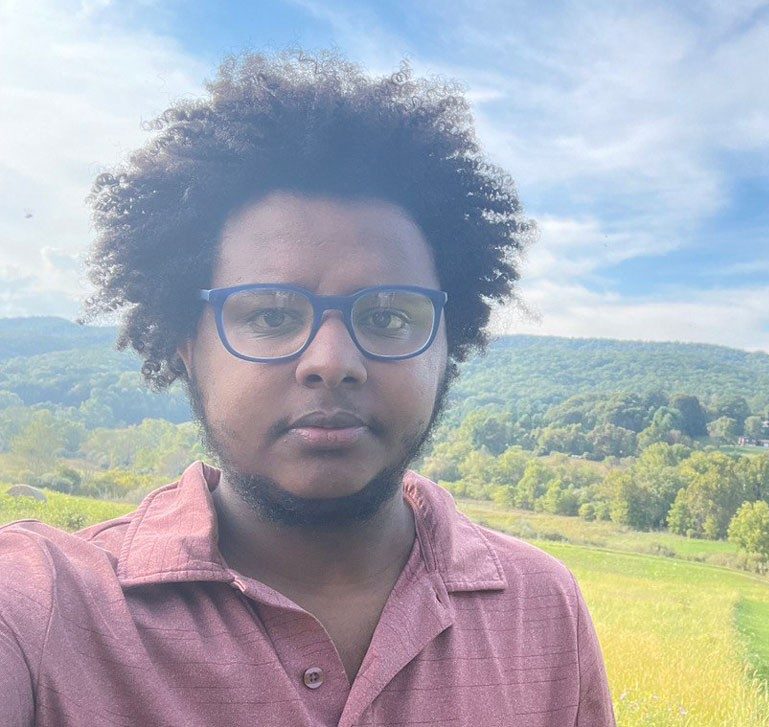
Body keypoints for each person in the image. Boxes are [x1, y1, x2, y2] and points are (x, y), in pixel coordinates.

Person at [0, 51, 615, 726]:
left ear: (449, 347)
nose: (331, 361)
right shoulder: (46, 608)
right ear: (188, 348)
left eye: (387, 316)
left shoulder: (542, 608)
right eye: (269, 314)